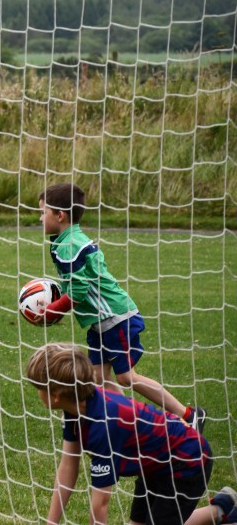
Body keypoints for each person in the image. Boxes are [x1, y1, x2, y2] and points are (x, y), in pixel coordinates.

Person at [33, 183, 206, 431]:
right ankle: (123, 422)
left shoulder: (70, 245)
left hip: (116, 318)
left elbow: (78, 292)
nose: (40, 218)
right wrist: (55, 303)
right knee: (98, 377)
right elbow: (76, 285)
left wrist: (53, 311)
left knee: (126, 377)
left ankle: (189, 415)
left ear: (60, 215)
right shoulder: (68, 240)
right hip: (101, 323)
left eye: (43, 212)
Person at [26, 343, 221, 525]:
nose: (38, 393)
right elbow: (68, 466)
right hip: (155, 463)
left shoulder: (103, 426)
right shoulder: (75, 407)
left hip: (187, 461)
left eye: (39, 388)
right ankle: (223, 507)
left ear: (56, 395)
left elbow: (100, 504)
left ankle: (221, 512)